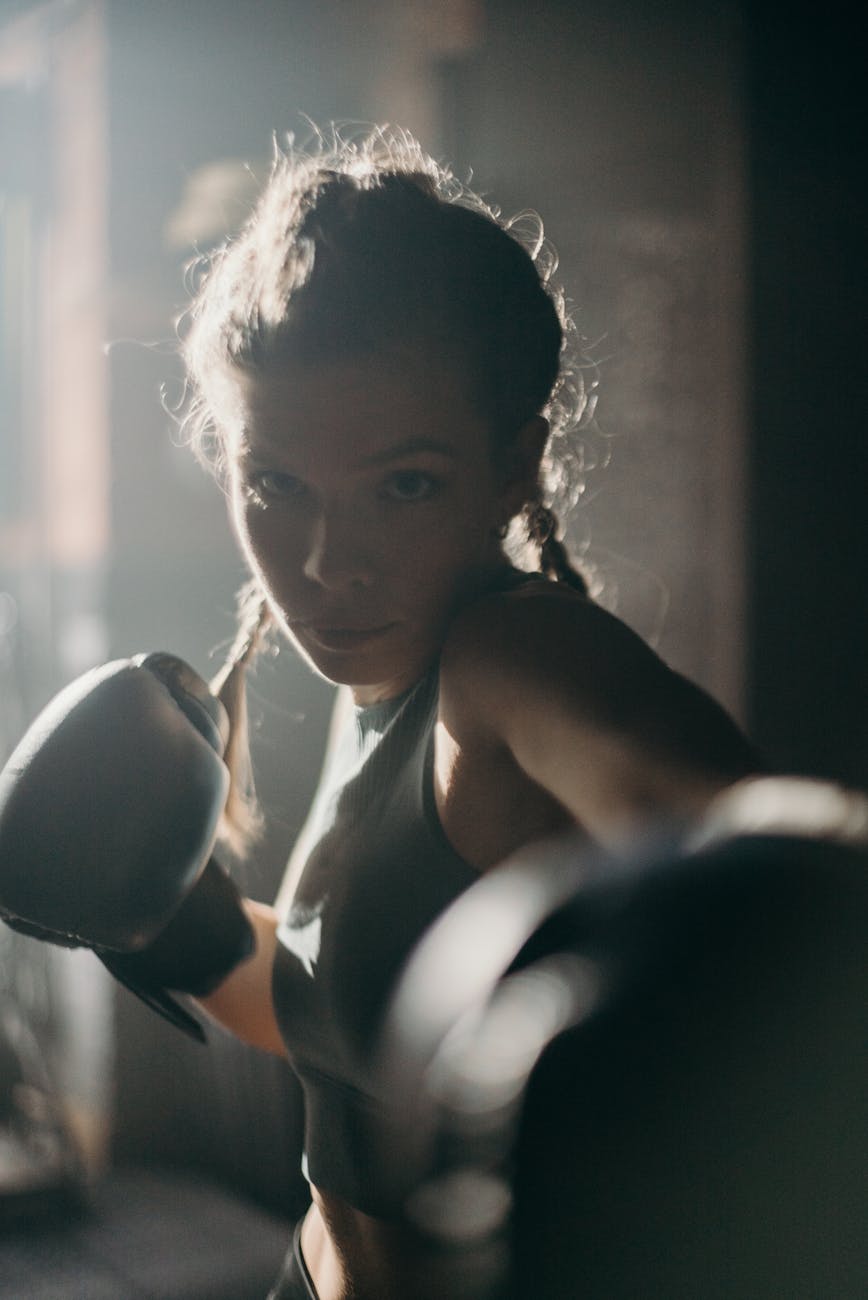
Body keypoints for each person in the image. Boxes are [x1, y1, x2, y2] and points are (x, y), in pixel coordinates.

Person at [173, 126, 762, 1300]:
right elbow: (346, 1032)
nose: (330, 564)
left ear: (512, 468)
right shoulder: (390, 670)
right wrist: (168, 929)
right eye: (275, 485)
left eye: (405, 485)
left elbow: (776, 865)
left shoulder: (513, 658)